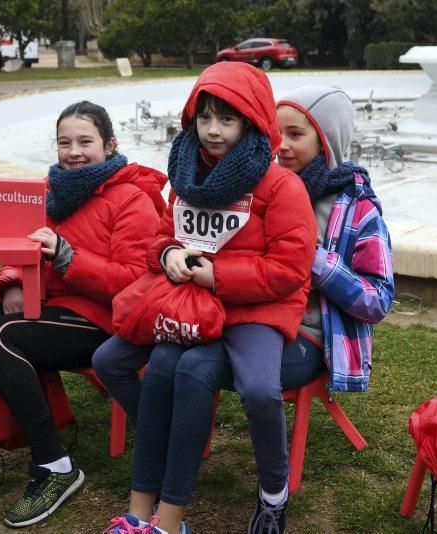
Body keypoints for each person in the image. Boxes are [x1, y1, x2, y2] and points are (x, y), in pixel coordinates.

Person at [0, 101, 167, 528]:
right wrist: (13, 281)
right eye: (64, 142)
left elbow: (133, 281)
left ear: (110, 145)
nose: (73, 151)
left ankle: (55, 465)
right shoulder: (47, 193)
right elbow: (17, 242)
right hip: (48, 306)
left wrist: (69, 258)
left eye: (85, 142)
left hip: (102, 323)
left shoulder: (132, 199)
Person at [106, 62, 317, 534]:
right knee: (115, 359)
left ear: (251, 122)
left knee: (262, 392)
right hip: (192, 306)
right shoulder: (185, 173)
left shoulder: (281, 185)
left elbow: (289, 270)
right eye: (205, 118)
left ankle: (273, 494)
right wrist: (168, 256)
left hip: (256, 311)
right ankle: (170, 454)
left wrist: (217, 275)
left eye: (227, 119)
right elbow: (162, 234)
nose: (213, 131)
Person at [275, 85, 394, 394]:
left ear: (327, 140)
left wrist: (315, 262)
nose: (281, 146)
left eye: (295, 134)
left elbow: (378, 300)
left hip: (313, 337)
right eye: (275, 134)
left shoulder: (360, 210)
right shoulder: (268, 191)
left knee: (225, 363)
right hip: (262, 321)